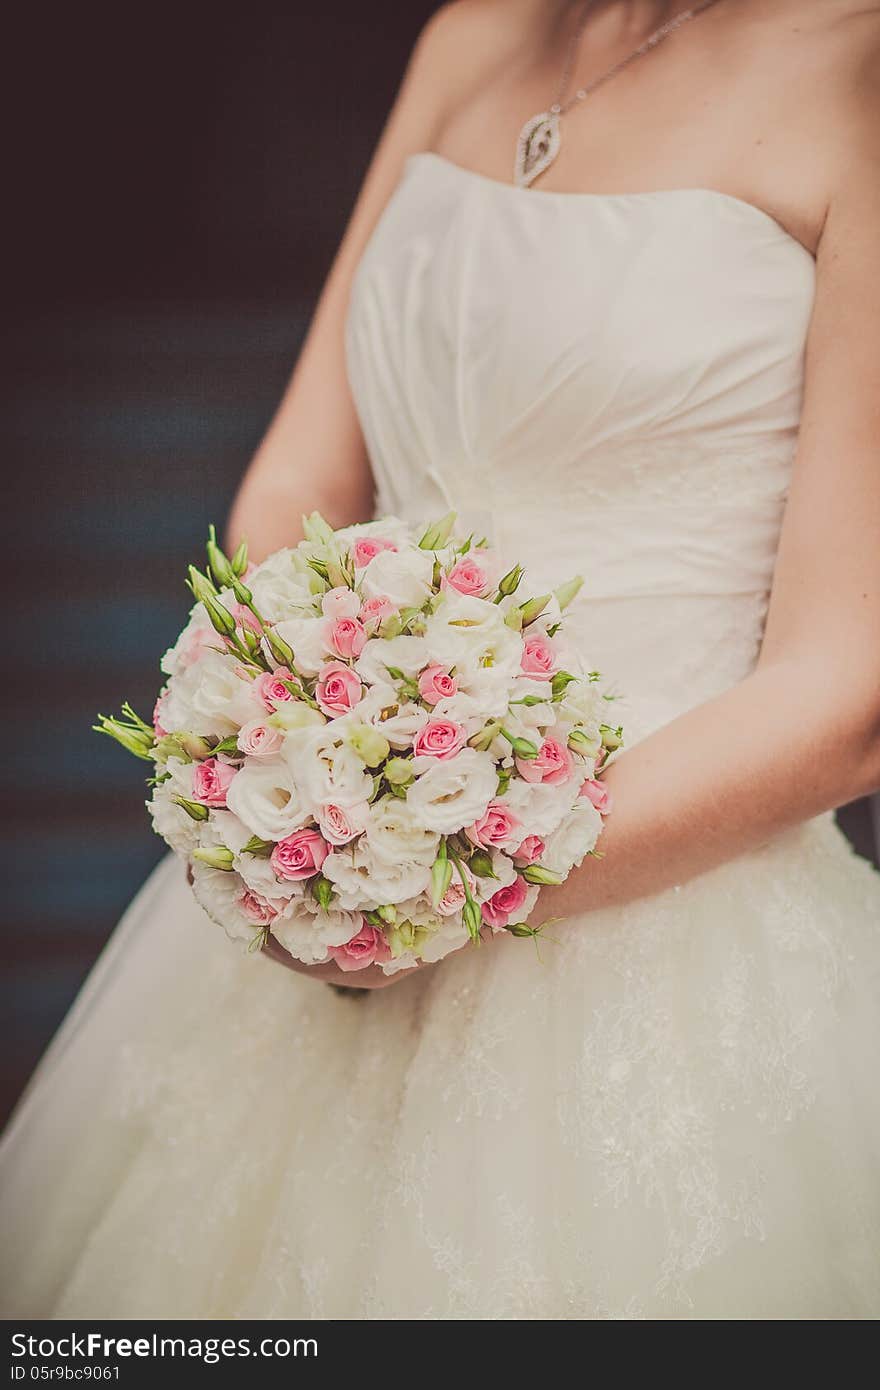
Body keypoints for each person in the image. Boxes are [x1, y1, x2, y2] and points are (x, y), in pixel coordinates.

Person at [2, 0, 879, 1319]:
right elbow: (299, 474)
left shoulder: (859, 79)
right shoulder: (474, 36)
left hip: (662, 922)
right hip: (335, 866)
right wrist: (283, 746)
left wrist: (444, 879)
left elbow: (845, 691)